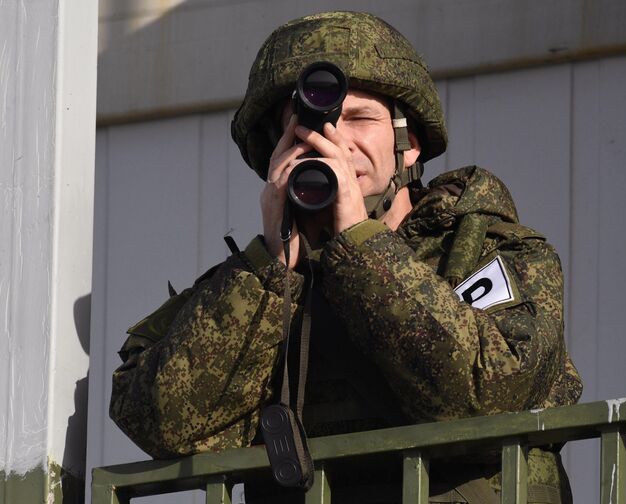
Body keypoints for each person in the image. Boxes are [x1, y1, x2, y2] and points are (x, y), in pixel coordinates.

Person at [109, 11, 582, 504]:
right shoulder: (254, 284)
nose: (331, 142)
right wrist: (271, 269)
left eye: (359, 118)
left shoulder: (489, 254)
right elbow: (162, 424)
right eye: (302, 126)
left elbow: (492, 395)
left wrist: (358, 242)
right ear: (276, 151)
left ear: (409, 143)